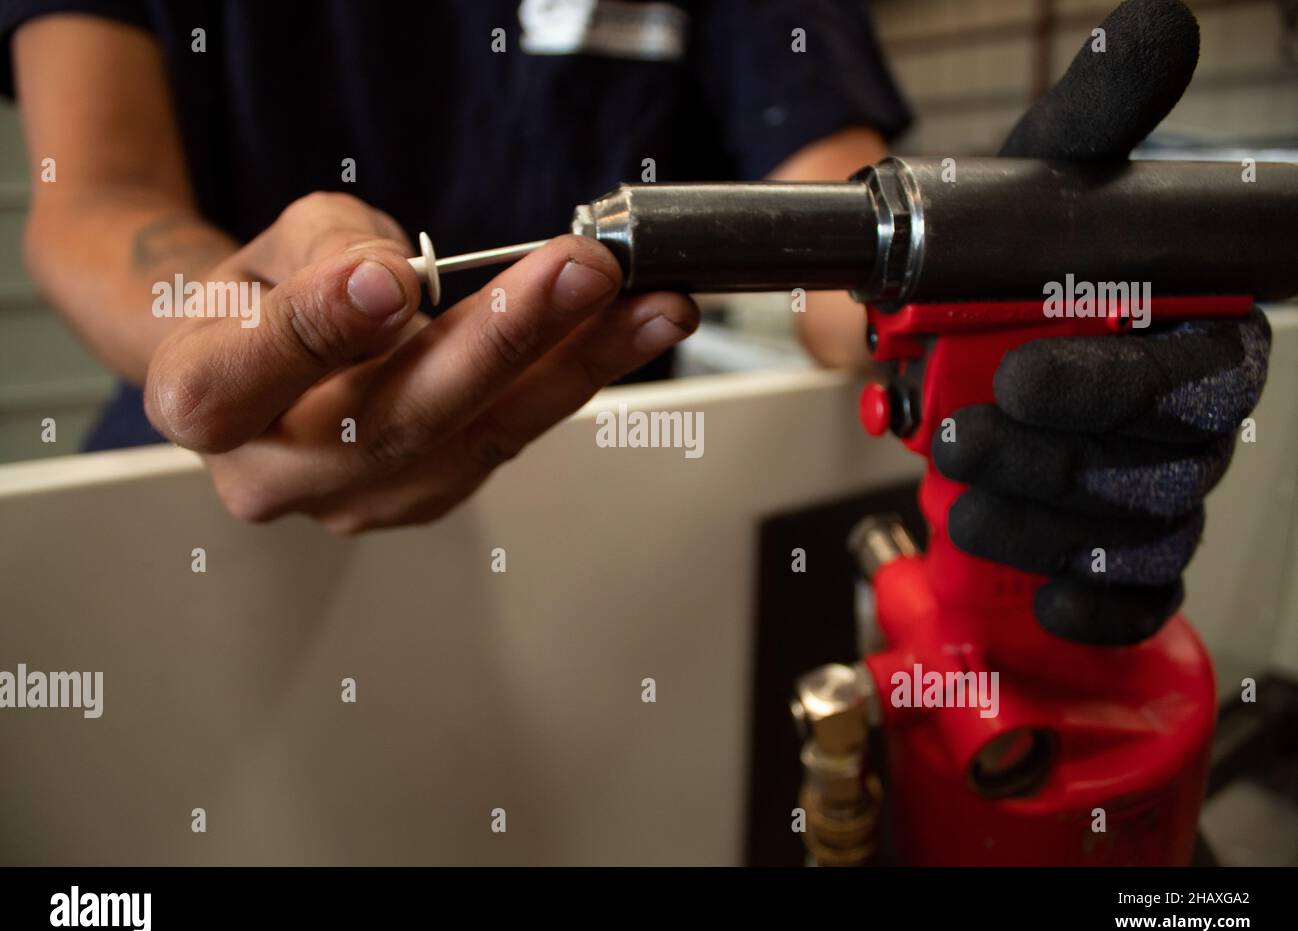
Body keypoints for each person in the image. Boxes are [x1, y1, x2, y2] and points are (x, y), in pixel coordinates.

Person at [3, 0, 908, 533]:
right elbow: (91, 195)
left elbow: (833, 222)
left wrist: (969, 275)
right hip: (191, 500)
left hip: (594, 519)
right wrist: (250, 350)